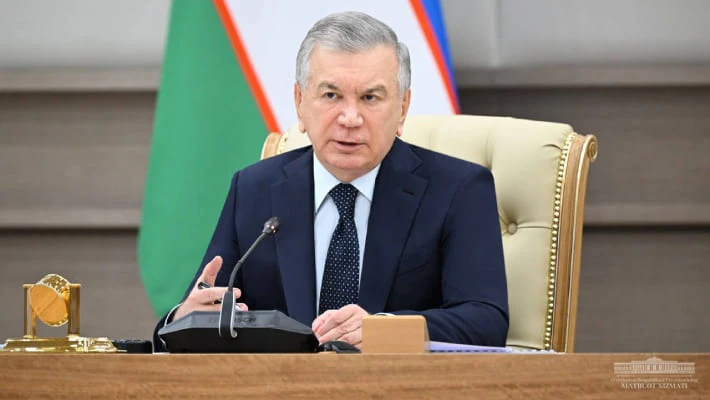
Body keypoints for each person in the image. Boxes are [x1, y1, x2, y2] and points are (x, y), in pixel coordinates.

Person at [153, 11, 508, 351]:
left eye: (370, 97)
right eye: (331, 95)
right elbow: (201, 309)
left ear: (402, 108)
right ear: (300, 103)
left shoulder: (459, 190)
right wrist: (183, 320)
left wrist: (384, 329)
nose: (350, 118)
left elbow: (486, 320)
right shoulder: (253, 189)